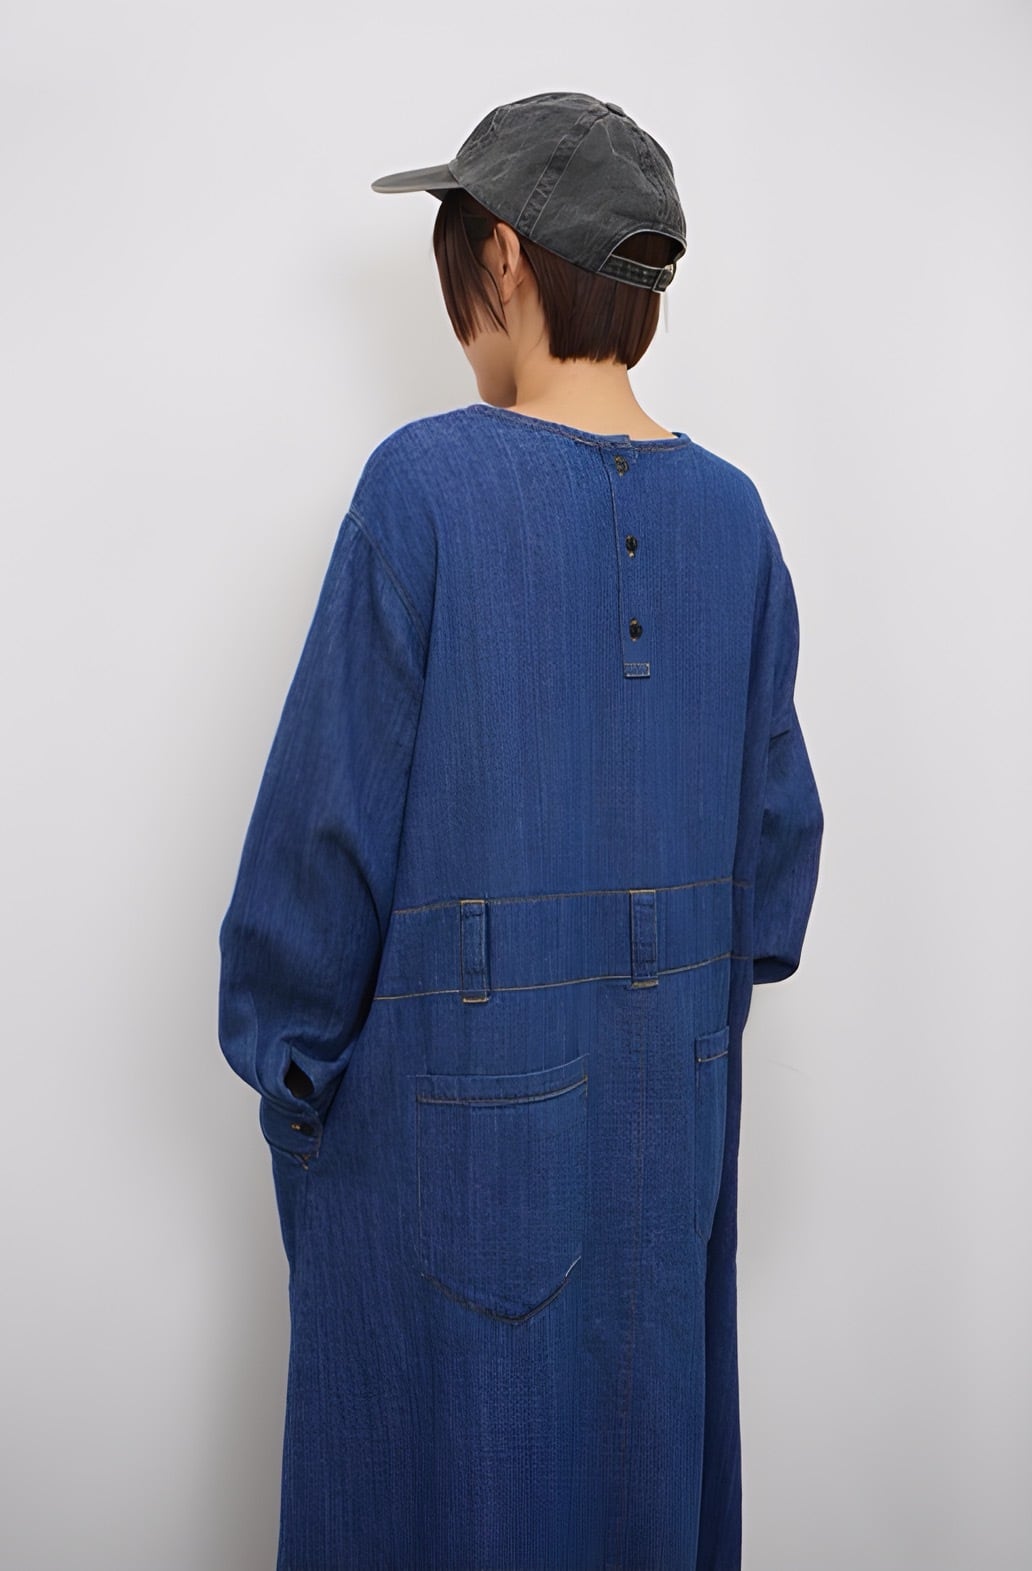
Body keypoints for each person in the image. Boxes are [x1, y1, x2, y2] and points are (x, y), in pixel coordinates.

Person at [217, 90, 824, 1571]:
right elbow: (775, 874)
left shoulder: (423, 486)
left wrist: (292, 1075)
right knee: (633, 1490)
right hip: (668, 1147)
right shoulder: (738, 520)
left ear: (499, 257)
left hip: (441, 1163)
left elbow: (321, 849)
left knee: (436, 1504)